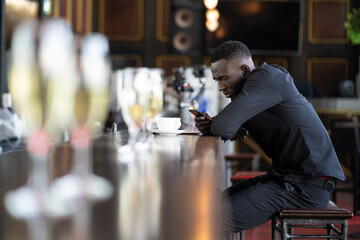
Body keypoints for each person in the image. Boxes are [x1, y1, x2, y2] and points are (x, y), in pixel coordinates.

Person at [194, 41, 345, 239]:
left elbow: (223, 127)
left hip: (307, 186)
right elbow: (227, 127)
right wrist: (224, 126)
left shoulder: (267, 78)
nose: (221, 87)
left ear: (245, 70)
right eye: (217, 81)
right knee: (210, 207)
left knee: (211, 218)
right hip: (286, 179)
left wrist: (220, 126)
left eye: (224, 79)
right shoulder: (251, 89)